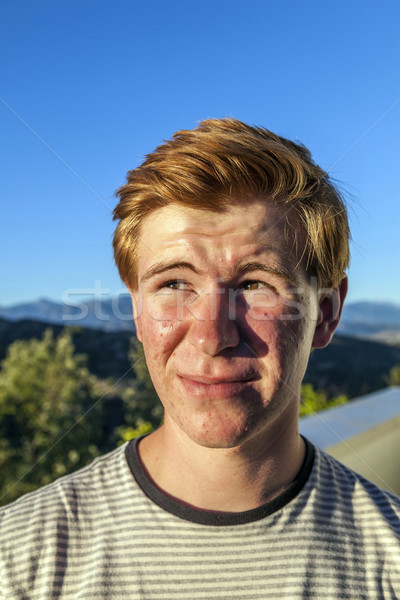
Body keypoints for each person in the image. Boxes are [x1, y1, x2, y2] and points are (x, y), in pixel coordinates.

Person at [1, 118, 399, 599]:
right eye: (173, 284)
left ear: (327, 313)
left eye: (255, 284)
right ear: (136, 310)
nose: (212, 336)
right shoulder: (19, 559)